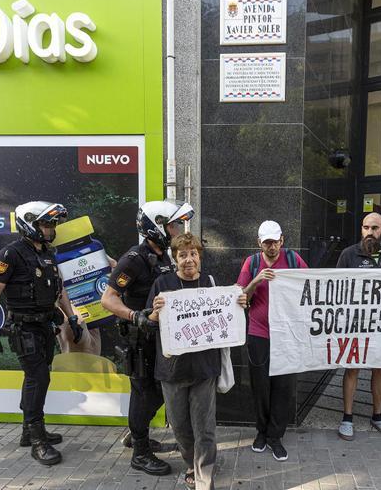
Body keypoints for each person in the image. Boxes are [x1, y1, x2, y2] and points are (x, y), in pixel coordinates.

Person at [0, 201, 84, 466]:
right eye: (45, 224)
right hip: (23, 328)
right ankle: (38, 441)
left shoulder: (48, 253)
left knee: (37, 378)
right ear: (29, 223)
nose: (51, 229)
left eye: (52, 224)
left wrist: (71, 317)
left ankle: (29, 430)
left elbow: (60, 289)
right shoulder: (10, 254)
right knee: (38, 378)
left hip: (45, 326)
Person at [147, 233, 248, 490]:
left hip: (204, 369)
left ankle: (203, 476)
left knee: (205, 427)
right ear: (175, 259)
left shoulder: (211, 284)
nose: (188, 260)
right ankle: (191, 463)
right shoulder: (162, 284)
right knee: (181, 427)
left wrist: (240, 304)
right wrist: (155, 313)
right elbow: (149, 321)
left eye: (193, 254)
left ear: (200, 259)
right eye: (183, 255)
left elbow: (229, 313)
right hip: (172, 371)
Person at [101, 199, 194, 476]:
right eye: (173, 224)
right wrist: (135, 316)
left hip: (160, 339)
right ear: (156, 227)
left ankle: (136, 434)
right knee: (145, 394)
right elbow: (108, 299)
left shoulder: (164, 255)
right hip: (139, 340)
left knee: (155, 393)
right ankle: (140, 453)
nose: (178, 229)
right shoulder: (134, 259)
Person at [237, 220, 308, 461]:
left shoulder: (293, 260)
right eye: (267, 242)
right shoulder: (252, 263)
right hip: (259, 333)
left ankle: (275, 436)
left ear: (282, 240)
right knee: (260, 386)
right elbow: (239, 296)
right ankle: (261, 432)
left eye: (275, 241)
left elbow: (312, 285)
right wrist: (256, 280)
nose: (272, 246)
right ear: (259, 243)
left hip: (287, 334)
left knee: (284, 387)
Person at [334, 212, 381, 441]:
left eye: (374, 228)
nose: (369, 232)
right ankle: (347, 418)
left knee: (379, 369)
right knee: (352, 368)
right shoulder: (348, 254)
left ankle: (378, 416)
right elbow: (336, 289)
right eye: (365, 227)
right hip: (354, 323)